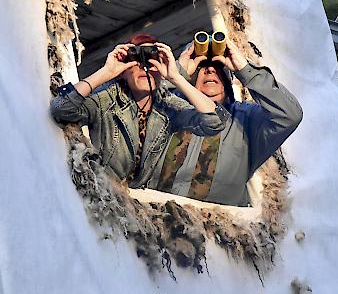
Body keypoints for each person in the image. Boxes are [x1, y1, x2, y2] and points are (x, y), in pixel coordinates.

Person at [50, 34, 230, 187]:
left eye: (152, 61)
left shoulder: (166, 104)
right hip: (102, 192)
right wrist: (106, 72)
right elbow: (62, 109)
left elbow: (215, 122)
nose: (145, 67)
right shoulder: (107, 98)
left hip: (132, 206)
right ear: (124, 72)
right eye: (136, 61)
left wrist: (176, 78)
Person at [149, 38, 303, 206]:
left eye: (217, 68)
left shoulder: (245, 119)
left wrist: (244, 69)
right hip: (153, 218)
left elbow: (289, 115)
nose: (209, 70)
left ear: (228, 79)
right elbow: (137, 107)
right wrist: (177, 73)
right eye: (201, 67)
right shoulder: (169, 108)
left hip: (218, 226)